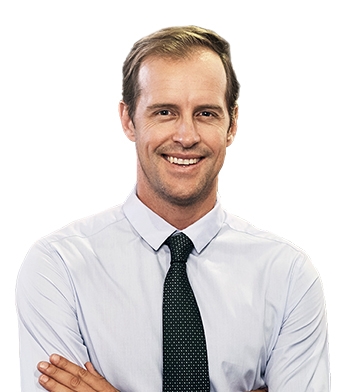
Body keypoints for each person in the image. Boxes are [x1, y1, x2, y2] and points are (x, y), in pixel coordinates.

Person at [16, 25, 330, 391]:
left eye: (207, 114)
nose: (186, 136)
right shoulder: (59, 268)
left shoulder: (287, 275)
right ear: (128, 119)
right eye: (164, 112)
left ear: (232, 124)